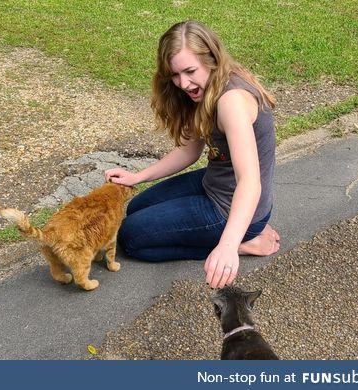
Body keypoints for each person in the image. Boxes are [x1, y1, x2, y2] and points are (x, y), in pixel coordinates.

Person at [105, 20, 280, 288]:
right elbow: (189, 150)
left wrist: (229, 246)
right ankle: (234, 238)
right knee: (135, 207)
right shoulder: (209, 85)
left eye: (189, 71)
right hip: (215, 182)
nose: (183, 83)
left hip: (233, 208)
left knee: (130, 238)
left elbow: (249, 181)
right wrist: (137, 177)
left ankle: (246, 242)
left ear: (211, 58)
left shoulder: (231, 102)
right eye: (174, 75)